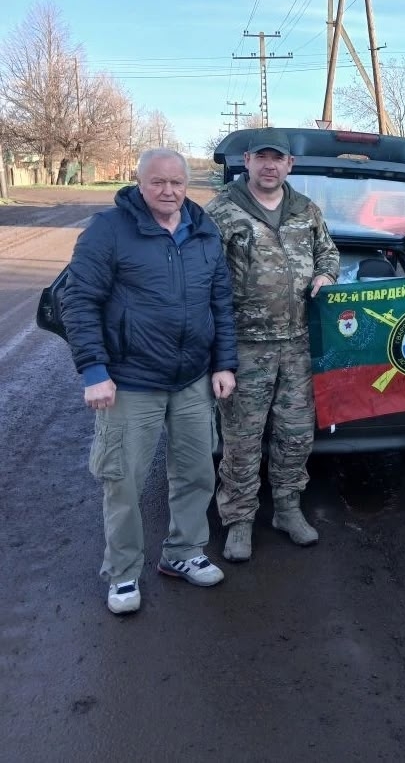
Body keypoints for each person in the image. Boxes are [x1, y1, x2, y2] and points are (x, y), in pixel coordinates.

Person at [62, 149, 238, 614]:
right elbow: (78, 300)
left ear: (188, 184)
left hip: (192, 379)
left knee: (197, 472)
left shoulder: (203, 229)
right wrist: (94, 370)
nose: (168, 191)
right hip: (130, 380)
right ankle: (122, 574)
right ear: (139, 182)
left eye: (176, 182)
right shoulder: (109, 230)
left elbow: (220, 300)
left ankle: (184, 553)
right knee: (123, 480)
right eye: (158, 182)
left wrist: (224, 364)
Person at [206, 128, 339, 562]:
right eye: (261, 158)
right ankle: (239, 519)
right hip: (244, 346)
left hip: (298, 345)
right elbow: (204, 276)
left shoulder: (306, 210)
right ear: (246, 161)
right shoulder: (222, 212)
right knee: (242, 438)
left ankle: (287, 508)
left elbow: (329, 254)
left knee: (296, 434)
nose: (269, 165)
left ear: (289, 165)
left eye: (277, 159)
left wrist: (326, 276)